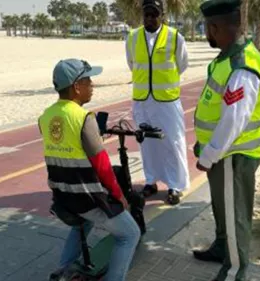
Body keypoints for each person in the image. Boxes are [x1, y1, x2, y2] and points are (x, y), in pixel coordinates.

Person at [39, 58, 141, 281]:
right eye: (88, 80)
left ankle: (63, 270)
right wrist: (119, 195)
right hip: (86, 196)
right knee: (130, 234)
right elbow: (103, 166)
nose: (92, 84)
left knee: (82, 224)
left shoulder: (45, 117)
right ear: (76, 87)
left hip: (62, 195)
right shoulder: (84, 118)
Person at [191, 0, 260, 280]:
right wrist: (204, 145)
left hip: (233, 157)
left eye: (207, 29)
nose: (206, 34)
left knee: (235, 216)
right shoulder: (227, 57)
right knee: (222, 208)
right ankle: (222, 247)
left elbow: (233, 121)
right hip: (221, 155)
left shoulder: (241, 65)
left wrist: (209, 155)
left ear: (214, 27)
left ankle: (234, 272)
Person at [125, 0, 190, 205]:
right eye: (147, 14)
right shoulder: (133, 37)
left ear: (162, 15)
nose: (150, 18)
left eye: (154, 14)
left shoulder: (174, 37)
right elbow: (132, 64)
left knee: (173, 142)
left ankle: (175, 186)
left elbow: (182, 64)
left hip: (167, 101)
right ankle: (150, 182)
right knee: (147, 143)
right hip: (143, 101)